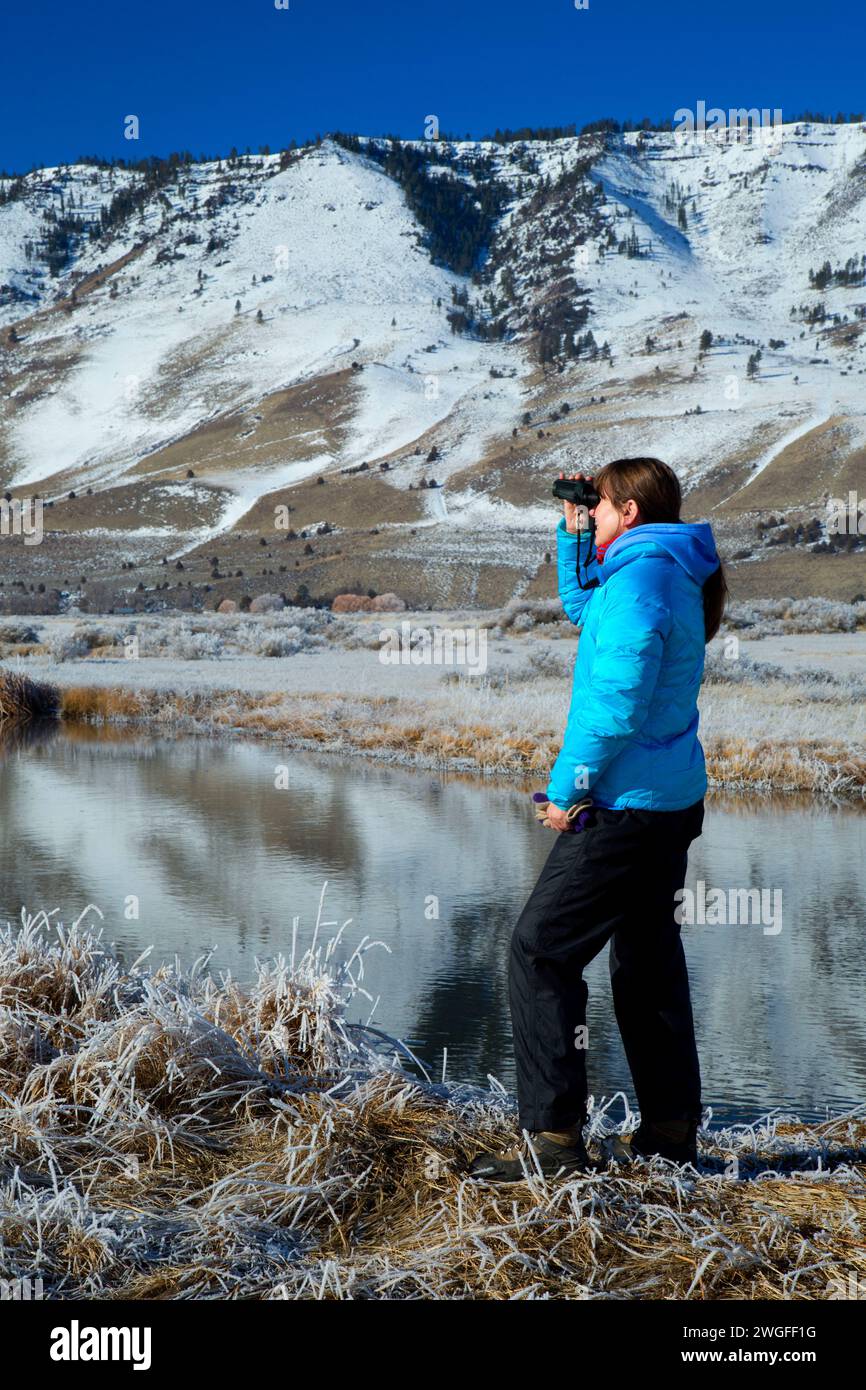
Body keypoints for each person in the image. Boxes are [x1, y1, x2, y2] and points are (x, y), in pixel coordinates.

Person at [467, 457, 727, 1182]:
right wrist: (575, 531)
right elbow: (586, 606)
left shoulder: (640, 584)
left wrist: (567, 792)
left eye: (602, 504)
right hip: (666, 804)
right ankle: (670, 1134)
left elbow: (614, 709)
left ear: (632, 514)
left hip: (623, 809)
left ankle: (551, 1144)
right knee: (646, 960)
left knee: (540, 951)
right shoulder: (660, 570)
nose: (595, 511)